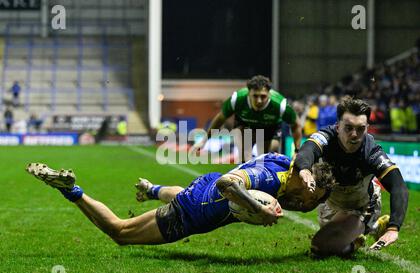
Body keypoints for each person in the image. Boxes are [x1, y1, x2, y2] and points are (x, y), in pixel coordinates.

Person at [26, 153, 335, 246]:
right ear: (306, 182)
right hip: (197, 211)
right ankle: (70, 190)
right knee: (120, 233)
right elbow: (231, 183)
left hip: (205, 184)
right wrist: (258, 209)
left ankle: (150, 188)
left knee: (182, 195)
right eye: (312, 198)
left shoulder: (283, 160)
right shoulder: (270, 179)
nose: (307, 204)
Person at [295, 97, 409, 258]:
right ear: (338, 126)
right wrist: (304, 169)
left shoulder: (372, 152)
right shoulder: (326, 137)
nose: (354, 135)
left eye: (360, 129)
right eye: (348, 128)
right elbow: (308, 149)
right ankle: (375, 227)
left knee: (322, 250)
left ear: (367, 128)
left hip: (361, 206)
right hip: (330, 204)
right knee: (324, 246)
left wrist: (394, 228)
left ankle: (365, 225)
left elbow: (398, 186)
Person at [191, 75, 302, 162]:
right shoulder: (237, 99)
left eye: (263, 96)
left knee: (266, 156)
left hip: (270, 127)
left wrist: (297, 151)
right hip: (245, 125)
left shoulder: (280, 104)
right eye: (255, 96)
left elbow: (296, 125)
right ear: (249, 93)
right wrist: (204, 141)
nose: (259, 101)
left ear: (269, 93)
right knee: (245, 157)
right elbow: (220, 119)